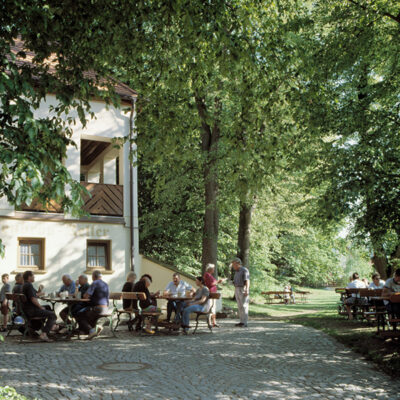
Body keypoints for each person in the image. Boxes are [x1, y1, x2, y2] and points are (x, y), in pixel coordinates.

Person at [21, 270, 57, 342]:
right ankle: (44, 334)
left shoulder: (25, 284)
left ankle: (51, 325)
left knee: (47, 307)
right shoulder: (29, 285)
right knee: (52, 315)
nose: (34, 277)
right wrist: (40, 307)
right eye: (33, 276)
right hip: (31, 311)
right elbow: (33, 298)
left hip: (27, 309)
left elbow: (35, 294)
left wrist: (40, 289)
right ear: (29, 277)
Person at [76, 270, 110, 340]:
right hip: (106, 308)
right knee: (87, 312)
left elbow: (86, 296)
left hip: (98, 308)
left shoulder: (95, 283)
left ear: (93, 277)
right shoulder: (105, 284)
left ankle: (92, 331)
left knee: (79, 314)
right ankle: (93, 328)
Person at [203, 263, 224, 327]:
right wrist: (218, 281)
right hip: (210, 293)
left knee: (213, 308)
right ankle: (209, 322)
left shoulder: (210, 275)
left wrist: (217, 282)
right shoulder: (207, 275)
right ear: (210, 269)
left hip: (213, 293)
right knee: (210, 307)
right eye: (213, 268)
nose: (214, 269)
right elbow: (210, 284)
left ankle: (214, 322)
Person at [232, 257, 250, 327]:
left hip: (243, 288)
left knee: (244, 306)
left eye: (234, 265)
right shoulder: (236, 271)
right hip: (237, 288)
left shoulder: (244, 270)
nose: (233, 266)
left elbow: (247, 280)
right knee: (239, 306)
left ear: (238, 264)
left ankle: (245, 322)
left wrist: (247, 290)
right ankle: (241, 321)